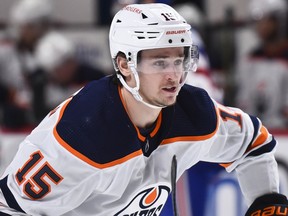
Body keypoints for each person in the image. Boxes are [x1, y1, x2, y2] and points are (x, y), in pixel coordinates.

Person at [0, 3, 287, 216]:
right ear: (124, 65)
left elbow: (253, 142)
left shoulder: (196, 113)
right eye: (159, 62)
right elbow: (10, 207)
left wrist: (267, 202)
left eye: (179, 60)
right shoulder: (79, 133)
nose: (174, 75)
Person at [235, 0, 288, 129]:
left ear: (278, 21)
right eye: (257, 21)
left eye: (265, 20)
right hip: (256, 133)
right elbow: (244, 101)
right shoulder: (251, 58)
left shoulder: (284, 59)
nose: (260, 26)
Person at [0, 0, 53, 129]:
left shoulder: (39, 50)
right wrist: (9, 94)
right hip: (8, 121)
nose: (42, 32)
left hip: (32, 118)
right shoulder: (4, 48)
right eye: (40, 26)